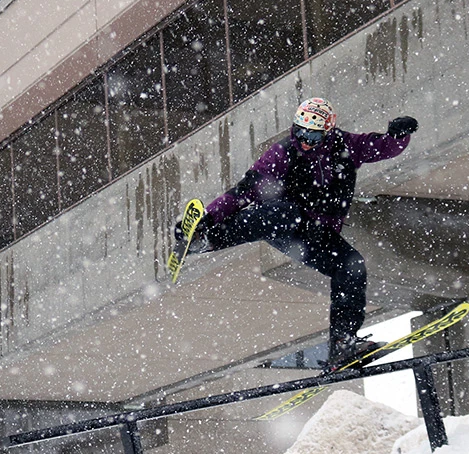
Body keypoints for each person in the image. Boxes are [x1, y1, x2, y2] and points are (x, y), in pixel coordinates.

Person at [176, 97, 418, 367]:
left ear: (327, 131)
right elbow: (245, 191)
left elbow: (381, 148)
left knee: (352, 266)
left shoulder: (346, 146)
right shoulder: (284, 152)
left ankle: (343, 344)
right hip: (281, 223)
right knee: (283, 212)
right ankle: (208, 240)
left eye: (312, 135)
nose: (305, 141)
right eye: (300, 132)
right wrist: (209, 218)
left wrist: (398, 135)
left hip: (317, 234)